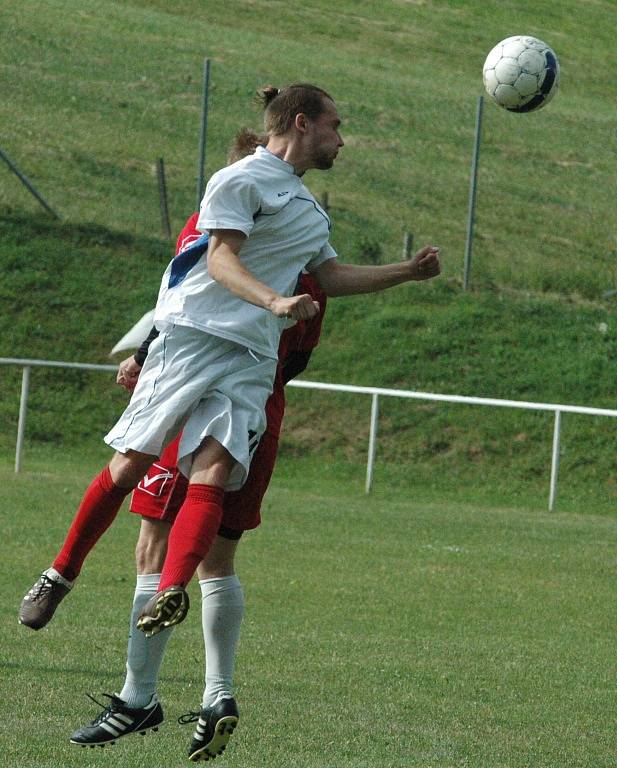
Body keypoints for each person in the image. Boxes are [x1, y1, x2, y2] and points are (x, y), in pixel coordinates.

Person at [20, 81, 440, 756]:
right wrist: (272, 302)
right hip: (190, 342)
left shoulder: (307, 211)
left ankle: (169, 632)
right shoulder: (237, 182)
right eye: (335, 126)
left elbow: (327, 276)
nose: (342, 139)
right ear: (300, 124)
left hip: (251, 359)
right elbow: (214, 259)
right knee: (130, 471)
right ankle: (63, 573)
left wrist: (404, 273)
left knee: (210, 479)